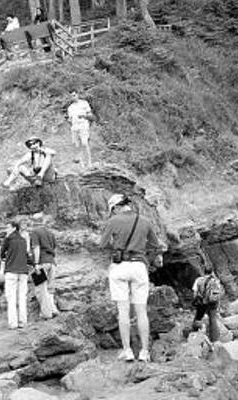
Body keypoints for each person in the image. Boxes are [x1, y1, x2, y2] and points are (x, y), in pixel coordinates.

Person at [99, 194, 163, 362]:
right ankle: (144, 352)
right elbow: (156, 246)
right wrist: (144, 257)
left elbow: (103, 245)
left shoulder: (113, 222)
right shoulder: (145, 221)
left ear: (116, 207)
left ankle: (127, 350)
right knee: (141, 311)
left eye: (112, 210)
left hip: (119, 267)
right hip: (139, 266)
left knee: (123, 311)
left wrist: (117, 246)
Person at [0, 221, 31, 329]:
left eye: (7, 227)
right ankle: (23, 321)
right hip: (23, 271)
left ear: (14, 228)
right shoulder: (23, 240)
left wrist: (7, 256)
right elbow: (27, 256)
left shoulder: (8, 239)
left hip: (11, 271)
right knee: (22, 297)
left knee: (11, 298)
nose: (6, 230)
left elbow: (1, 253)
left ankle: (13, 323)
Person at [31, 213, 59, 319]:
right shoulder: (50, 233)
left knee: (41, 289)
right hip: (52, 262)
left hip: (42, 262)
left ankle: (46, 313)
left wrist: (36, 263)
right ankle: (53, 309)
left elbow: (36, 248)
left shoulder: (35, 232)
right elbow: (54, 248)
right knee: (50, 288)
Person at [191, 267, 223, 342]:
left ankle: (194, 337)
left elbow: (194, 292)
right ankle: (214, 341)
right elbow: (219, 293)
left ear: (204, 271)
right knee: (213, 320)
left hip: (202, 302)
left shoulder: (199, 280)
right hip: (213, 303)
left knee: (198, 318)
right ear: (212, 272)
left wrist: (196, 300)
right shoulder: (215, 280)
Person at [67, 91, 95, 167]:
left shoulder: (84, 103)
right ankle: (81, 164)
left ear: (77, 95)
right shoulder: (70, 108)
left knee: (84, 143)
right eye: (71, 96)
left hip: (83, 125)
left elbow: (91, 115)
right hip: (74, 127)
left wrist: (84, 116)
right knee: (77, 145)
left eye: (74, 95)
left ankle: (89, 163)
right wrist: (70, 121)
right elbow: (70, 119)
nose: (73, 97)